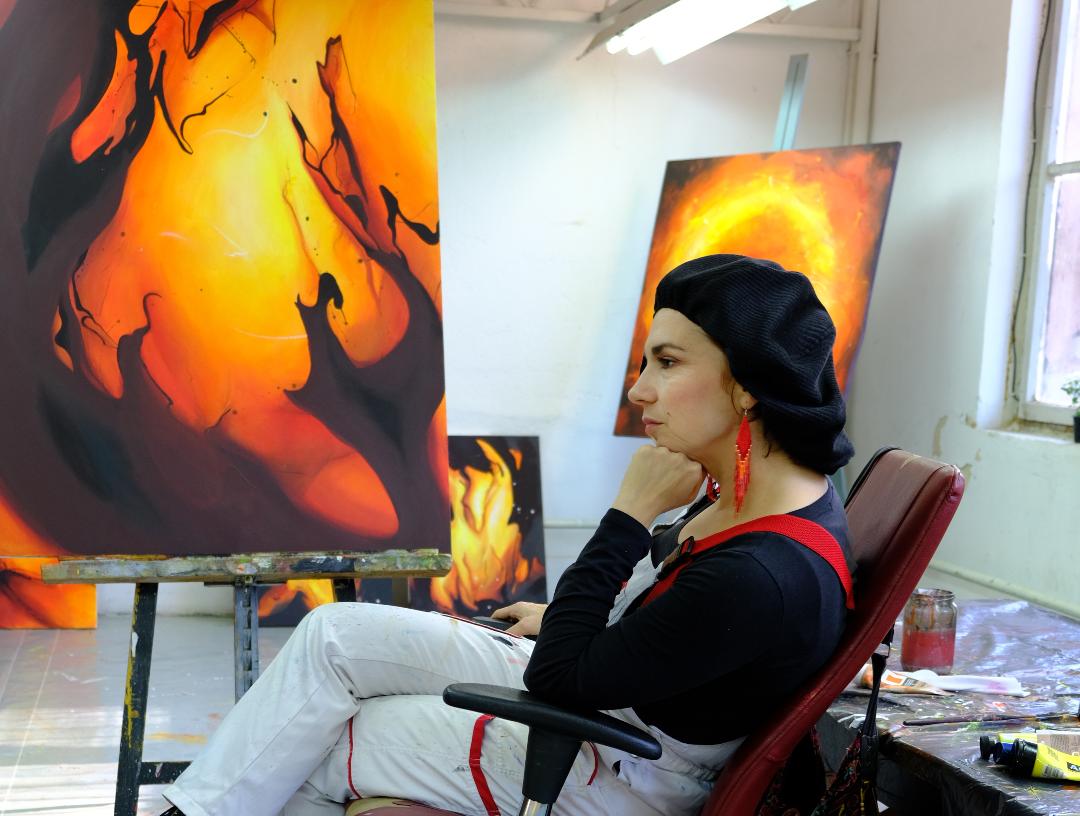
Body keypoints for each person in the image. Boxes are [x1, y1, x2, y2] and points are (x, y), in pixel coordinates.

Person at [160, 254, 855, 816]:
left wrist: (629, 514)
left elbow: (561, 676)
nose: (639, 390)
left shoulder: (761, 574)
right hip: (615, 695)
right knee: (332, 635)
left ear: (748, 386)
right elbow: (675, 632)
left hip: (620, 763)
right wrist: (565, 616)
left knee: (319, 745)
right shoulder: (768, 494)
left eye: (667, 363)